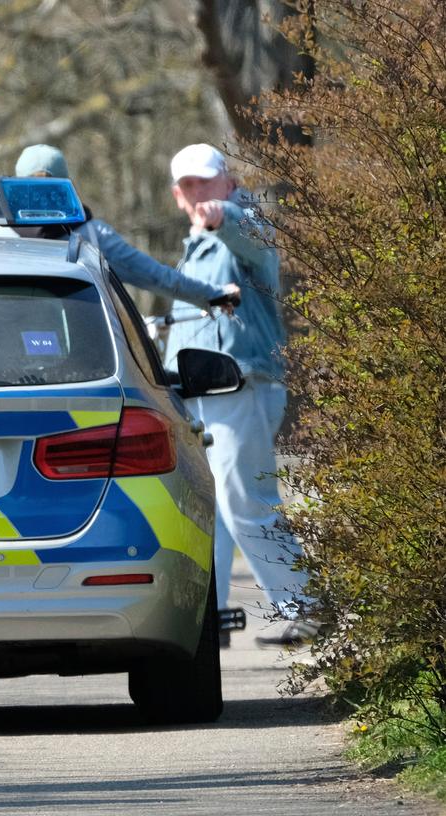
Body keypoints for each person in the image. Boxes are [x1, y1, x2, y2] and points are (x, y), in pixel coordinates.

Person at [163, 142, 312, 647]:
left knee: (246, 499)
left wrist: (223, 214)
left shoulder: (242, 226)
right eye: (188, 186)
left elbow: (255, 240)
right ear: (176, 195)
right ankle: (211, 618)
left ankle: (307, 604)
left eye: (206, 182)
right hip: (202, 392)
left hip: (239, 386)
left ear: (227, 181)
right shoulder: (195, 246)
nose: (197, 193)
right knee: (213, 510)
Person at [7, 144, 241, 312]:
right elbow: (156, 277)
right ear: (67, 187)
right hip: (78, 360)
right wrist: (214, 294)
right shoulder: (91, 236)